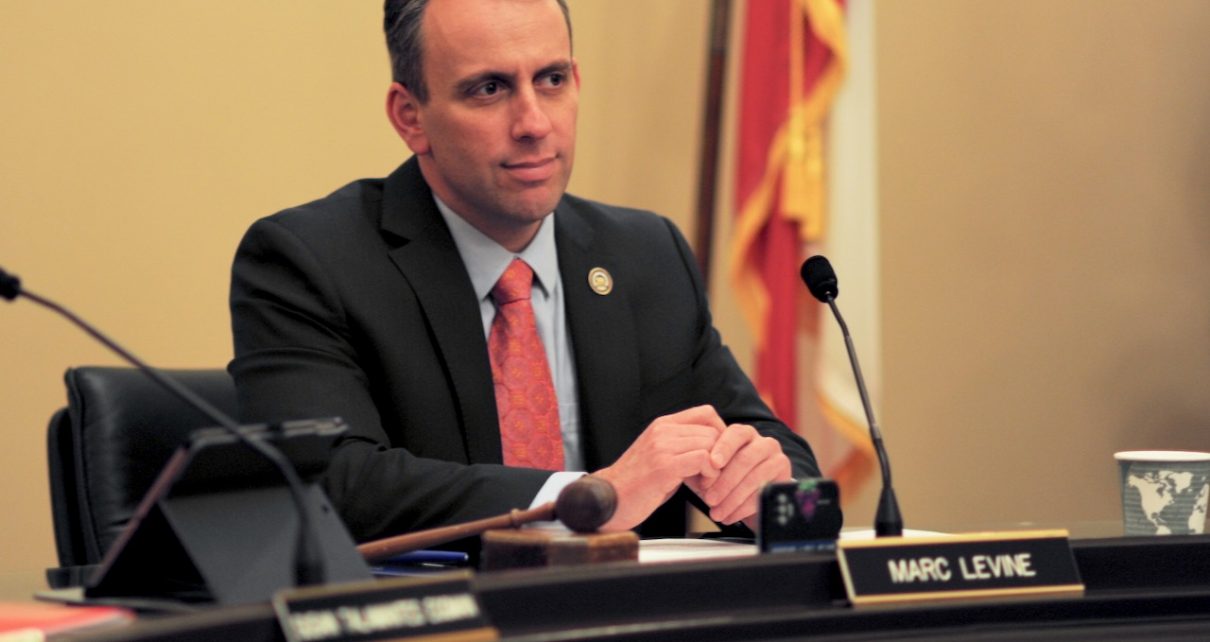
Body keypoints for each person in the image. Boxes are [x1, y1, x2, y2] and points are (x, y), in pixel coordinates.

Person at [228, 0, 821, 543]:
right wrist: (589, 499)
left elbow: (773, 457)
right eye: (490, 89)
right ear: (410, 117)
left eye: (552, 80)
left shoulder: (646, 253)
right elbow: (333, 482)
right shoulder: (309, 261)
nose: (534, 122)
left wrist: (772, 495)